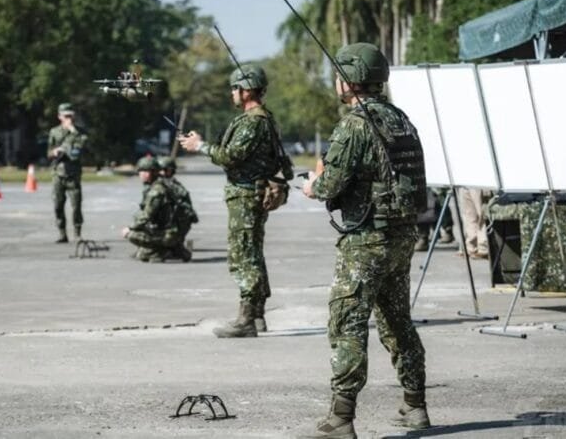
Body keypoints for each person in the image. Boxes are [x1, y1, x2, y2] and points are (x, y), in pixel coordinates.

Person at [301, 43, 430, 438]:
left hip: (367, 240)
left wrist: (312, 186)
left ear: (350, 80)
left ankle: (341, 418)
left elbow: (331, 184)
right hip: (402, 235)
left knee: (348, 322)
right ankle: (415, 406)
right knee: (396, 320)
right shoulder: (400, 119)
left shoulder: (355, 124)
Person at [178, 64, 292, 338]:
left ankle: (246, 320)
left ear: (247, 89)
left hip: (245, 195)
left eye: (234, 87)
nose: (231, 92)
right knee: (252, 252)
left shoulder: (254, 121)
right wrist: (202, 143)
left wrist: (200, 147)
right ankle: (257, 314)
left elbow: (230, 156)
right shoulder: (261, 119)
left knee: (244, 256)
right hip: (249, 193)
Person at [121, 156, 191, 263]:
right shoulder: (160, 185)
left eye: (142, 171)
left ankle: (164, 250)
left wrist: (130, 228)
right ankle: (175, 250)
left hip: (169, 233)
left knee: (131, 235)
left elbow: (146, 216)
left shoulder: (156, 191)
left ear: (148, 173)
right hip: (171, 230)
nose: (140, 174)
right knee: (143, 254)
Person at [48, 103, 87, 243]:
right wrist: (54, 152)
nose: (69, 118)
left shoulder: (80, 132)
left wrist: (73, 130)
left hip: (73, 174)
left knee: (76, 205)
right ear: (59, 117)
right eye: (66, 116)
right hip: (58, 173)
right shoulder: (54, 132)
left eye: (71, 116)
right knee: (58, 205)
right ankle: (62, 233)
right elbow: (48, 152)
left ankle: (77, 233)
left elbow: (82, 146)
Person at [158, 156, 199, 256]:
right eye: (160, 170)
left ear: (171, 171)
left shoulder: (176, 188)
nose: (162, 173)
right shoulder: (156, 185)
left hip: (174, 225)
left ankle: (176, 246)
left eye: (165, 170)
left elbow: (188, 213)